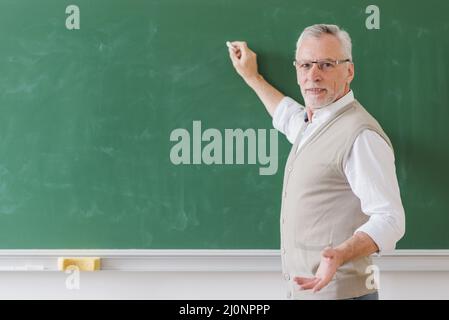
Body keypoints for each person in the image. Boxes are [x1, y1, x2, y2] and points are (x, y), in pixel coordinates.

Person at [227, 24, 405, 300]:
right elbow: (286, 115)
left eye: (326, 65)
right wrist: (253, 77)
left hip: (342, 295)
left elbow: (391, 219)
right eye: (306, 65)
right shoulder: (314, 123)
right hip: (308, 292)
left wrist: (341, 253)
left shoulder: (361, 135)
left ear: (349, 71)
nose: (313, 75)